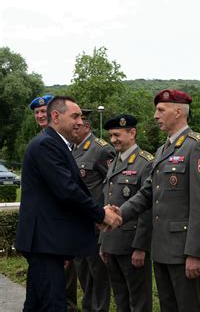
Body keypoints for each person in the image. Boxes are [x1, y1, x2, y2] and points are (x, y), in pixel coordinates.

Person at [15, 96, 122, 312]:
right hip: (44, 243)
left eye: (81, 117)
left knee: (37, 305)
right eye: (74, 116)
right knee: (53, 305)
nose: (80, 122)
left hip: (47, 243)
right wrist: (101, 215)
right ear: (56, 116)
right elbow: (67, 191)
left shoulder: (54, 143)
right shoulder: (47, 144)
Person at [115, 89, 200, 312]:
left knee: (188, 307)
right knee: (168, 307)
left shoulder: (197, 145)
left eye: (161, 110)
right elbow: (147, 192)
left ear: (178, 112)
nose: (155, 115)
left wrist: (194, 253)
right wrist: (119, 213)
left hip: (182, 251)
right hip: (161, 248)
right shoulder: (163, 149)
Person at [99, 114, 154, 312]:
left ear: (132, 133)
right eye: (111, 136)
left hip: (132, 246)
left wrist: (141, 247)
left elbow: (148, 207)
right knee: (121, 299)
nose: (113, 140)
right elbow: (108, 202)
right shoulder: (114, 162)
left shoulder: (145, 163)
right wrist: (103, 243)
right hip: (112, 243)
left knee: (139, 301)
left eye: (117, 135)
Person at [29, 93, 79, 311]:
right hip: (47, 236)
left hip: (54, 234)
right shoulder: (44, 143)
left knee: (45, 297)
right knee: (49, 298)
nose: (41, 115)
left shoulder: (63, 141)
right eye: (37, 112)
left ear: (54, 114)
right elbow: (61, 191)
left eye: (43, 111)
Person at [71, 110, 115, 312]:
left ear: (87, 127)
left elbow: (112, 185)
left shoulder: (101, 150)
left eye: (78, 126)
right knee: (83, 273)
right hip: (78, 225)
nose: (74, 128)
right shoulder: (72, 149)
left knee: (98, 275)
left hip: (95, 225)